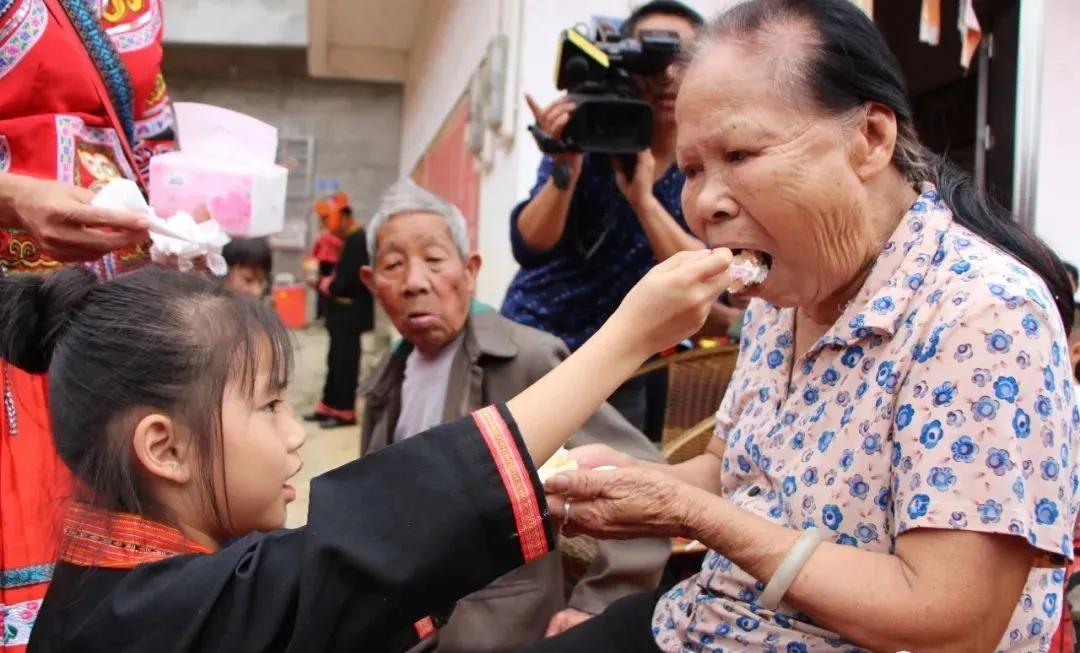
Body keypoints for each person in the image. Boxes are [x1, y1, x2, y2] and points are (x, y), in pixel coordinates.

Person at [526, 1, 1080, 652]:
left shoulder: (983, 314)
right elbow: (731, 468)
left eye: (739, 152)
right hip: (705, 619)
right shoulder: (780, 290)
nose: (705, 203)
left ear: (870, 138)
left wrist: (692, 512)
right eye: (694, 168)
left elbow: (948, 616)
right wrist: (625, 481)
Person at [0, 243, 732, 651]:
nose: (295, 435)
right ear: (165, 448)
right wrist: (631, 333)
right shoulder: (154, 621)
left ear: (471, 270)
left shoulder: (110, 583)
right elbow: (385, 530)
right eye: (268, 404)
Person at [357, 180, 669, 650]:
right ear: (370, 282)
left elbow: (643, 482)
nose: (414, 282)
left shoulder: (526, 360)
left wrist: (598, 602)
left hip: (500, 630)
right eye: (393, 265)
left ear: (470, 269)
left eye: (435, 261)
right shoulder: (387, 378)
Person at [0, 0, 174, 647]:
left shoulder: (143, 10)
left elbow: (154, 143)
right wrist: (13, 197)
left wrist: (178, 220)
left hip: (106, 329)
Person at [501, 1, 715, 433]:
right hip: (536, 345)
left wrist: (643, 202)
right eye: (653, 60)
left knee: (602, 487)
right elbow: (529, 246)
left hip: (626, 362)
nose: (668, 75)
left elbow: (708, 269)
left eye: (684, 61)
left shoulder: (708, 158)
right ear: (627, 64)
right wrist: (565, 165)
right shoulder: (592, 126)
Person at [304, 194, 375, 428]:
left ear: (345, 217)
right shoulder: (348, 241)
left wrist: (327, 285)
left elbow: (348, 281)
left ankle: (344, 412)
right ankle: (328, 406)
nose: (326, 227)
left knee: (346, 363)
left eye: (328, 219)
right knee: (335, 361)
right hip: (339, 315)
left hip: (350, 315)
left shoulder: (358, 240)